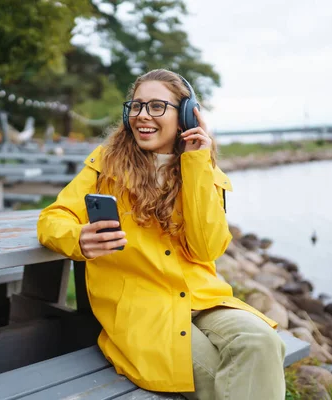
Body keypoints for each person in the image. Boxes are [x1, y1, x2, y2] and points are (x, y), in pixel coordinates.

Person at [37, 69, 286, 400]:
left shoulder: (204, 171)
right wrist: (78, 238)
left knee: (262, 342)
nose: (143, 115)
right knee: (222, 378)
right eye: (137, 106)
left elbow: (206, 248)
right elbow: (52, 218)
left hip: (202, 298)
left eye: (156, 106)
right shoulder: (105, 165)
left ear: (185, 114)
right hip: (142, 308)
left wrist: (196, 164)